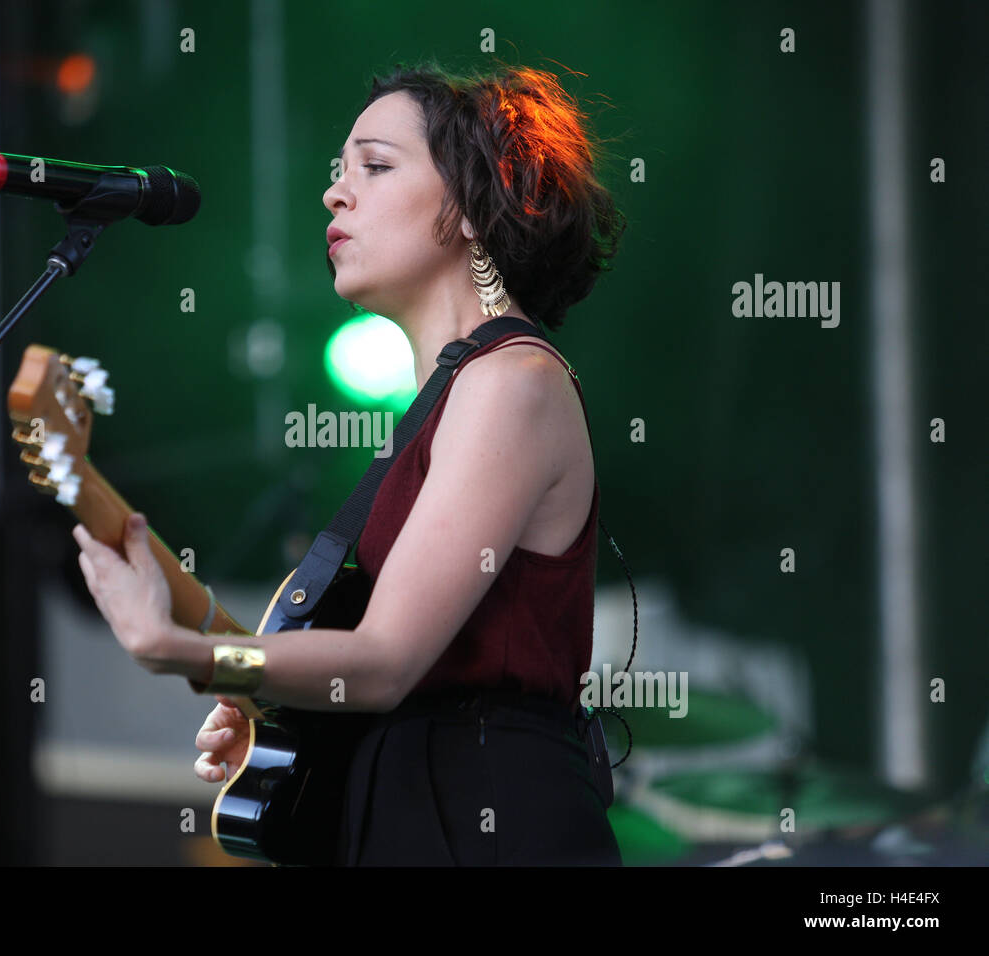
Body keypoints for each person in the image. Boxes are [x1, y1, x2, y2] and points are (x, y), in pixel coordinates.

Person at [72, 60, 626, 865]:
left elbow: (386, 662)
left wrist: (188, 652)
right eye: (337, 173)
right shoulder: (453, 395)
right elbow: (383, 674)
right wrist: (285, 716)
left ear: (474, 204)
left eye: (374, 165)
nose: (335, 194)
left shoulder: (514, 381)